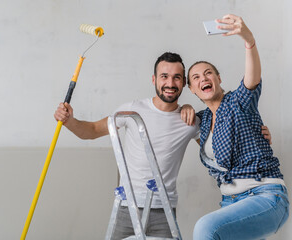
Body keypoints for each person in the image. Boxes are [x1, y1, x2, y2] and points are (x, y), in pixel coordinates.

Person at [54, 52, 272, 239]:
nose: (170, 83)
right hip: (125, 206)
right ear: (154, 79)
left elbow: (220, 148)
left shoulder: (191, 121)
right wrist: (69, 121)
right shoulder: (132, 110)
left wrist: (254, 135)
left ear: (184, 84)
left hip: (163, 210)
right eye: (164, 76)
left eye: (177, 78)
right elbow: (91, 131)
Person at [186, 14, 289, 239]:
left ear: (218, 78)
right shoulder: (202, 122)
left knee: (205, 228)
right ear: (193, 89)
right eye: (195, 77)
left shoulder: (238, 102)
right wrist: (184, 107)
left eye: (208, 73)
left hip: (265, 196)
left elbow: (251, 80)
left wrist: (248, 40)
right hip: (230, 202)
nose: (203, 78)